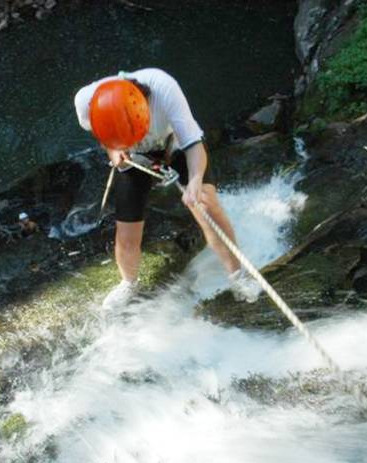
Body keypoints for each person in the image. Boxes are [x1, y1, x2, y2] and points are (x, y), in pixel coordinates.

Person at [74, 68, 261, 309]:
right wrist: (114, 148)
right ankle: (129, 282)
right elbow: (100, 133)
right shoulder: (86, 101)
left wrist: (194, 182)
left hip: (176, 145)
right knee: (126, 230)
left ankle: (238, 275)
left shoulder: (164, 88)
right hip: (132, 156)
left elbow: (193, 144)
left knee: (205, 202)